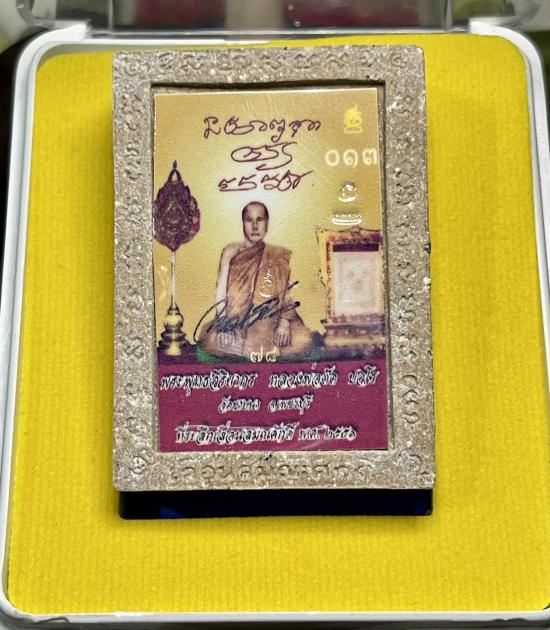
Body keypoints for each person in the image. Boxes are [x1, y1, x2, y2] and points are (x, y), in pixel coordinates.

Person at [198, 201, 315, 360]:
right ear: (243, 223)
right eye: (249, 220)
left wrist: (284, 324)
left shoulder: (276, 255)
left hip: (269, 323)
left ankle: (247, 348)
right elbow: (220, 291)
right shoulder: (231, 251)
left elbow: (285, 295)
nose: (254, 226)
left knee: (303, 339)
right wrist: (224, 326)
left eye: (259, 220)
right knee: (212, 339)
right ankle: (250, 347)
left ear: (266, 223)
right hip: (236, 322)